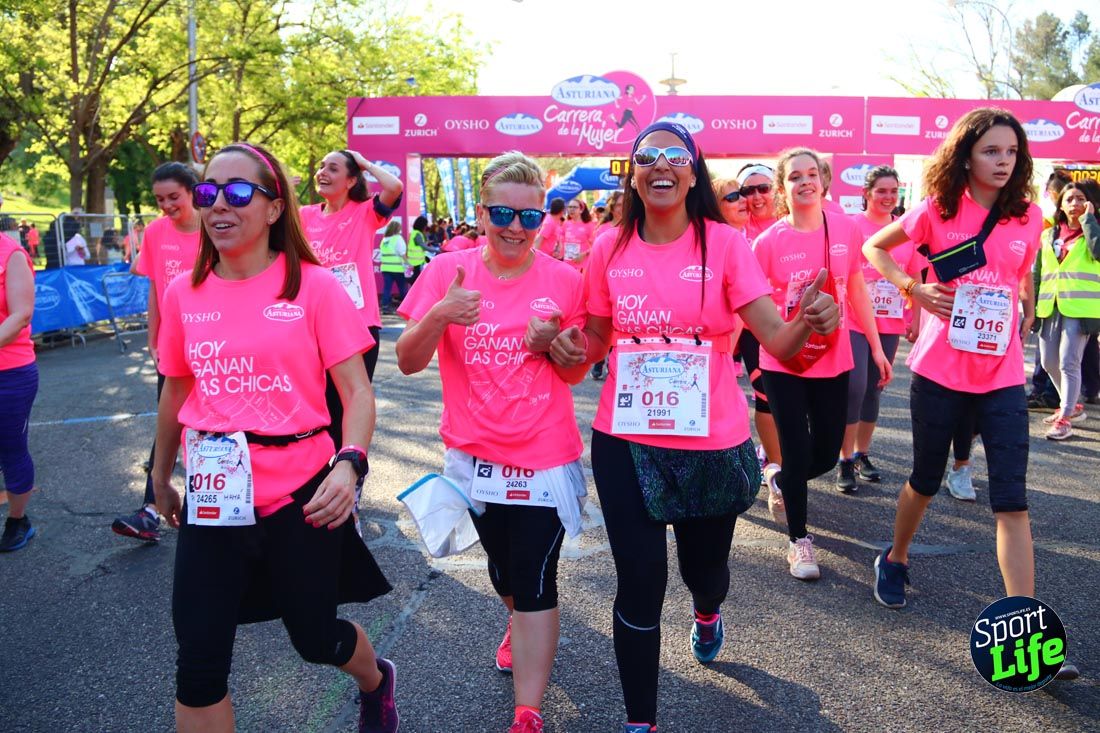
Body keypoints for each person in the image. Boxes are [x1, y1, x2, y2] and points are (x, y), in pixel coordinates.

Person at [549, 122, 839, 732]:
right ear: (633, 172)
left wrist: (814, 320)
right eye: (646, 156)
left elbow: (779, 342)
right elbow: (595, 339)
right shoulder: (610, 246)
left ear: (692, 172)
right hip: (625, 439)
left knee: (702, 575)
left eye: (674, 156)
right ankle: (640, 722)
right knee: (641, 578)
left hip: (711, 442)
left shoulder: (725, 245)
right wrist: (569, 346)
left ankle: (707, 614)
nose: (660, 165)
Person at [151, 141, 398, 731]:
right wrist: (158, 476)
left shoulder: (313, 287)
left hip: (302, 496)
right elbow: (175, 391)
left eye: (239, 192)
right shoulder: (184, 294)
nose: (218, 206)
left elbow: (357, 393)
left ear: (273, 207)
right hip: (214, 499)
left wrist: (350, 463)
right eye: (209, 192)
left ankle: (376, 678)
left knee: (314, 638)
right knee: (199, 664)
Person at [396, 151, 589, 733]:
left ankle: (526, 712)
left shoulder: (565, 280)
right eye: (502, 213)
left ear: (543, 221)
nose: (514, 227)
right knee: (504, 574)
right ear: (482, 211)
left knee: (534, 579)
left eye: (529, 218)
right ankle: (515, 623)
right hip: (473, 460)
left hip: (543, 456)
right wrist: (441, 314)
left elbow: (576, 371)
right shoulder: (446, 273)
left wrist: (558, 347)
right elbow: (407, 361)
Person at [862, 107, 1053, 629]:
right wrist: (913, 288)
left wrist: (1024, 305)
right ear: (965, 155)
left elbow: (1019, 270)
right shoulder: (937, 210)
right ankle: (895, 557)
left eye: (1011, 152)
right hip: (939, 371)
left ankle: (1025, 622)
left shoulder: (1029, 215)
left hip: (1003, 375)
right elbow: (873, 248)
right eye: (991, 151)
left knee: (1011, 499)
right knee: (924, 480)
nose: (1003, 161)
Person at [753, 147, 892, 579]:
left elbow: (856, 289)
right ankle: (799, 542)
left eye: (812, 174)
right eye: (795, 177)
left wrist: (875, 345)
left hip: (833, 358)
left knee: (828, 455)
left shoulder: (845, 229)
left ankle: (781, 479)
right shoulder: (767, 243)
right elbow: (755, 308)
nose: (805, 181)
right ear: (783, 188)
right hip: (784, 364)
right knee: (795, 450)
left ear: (823, 181)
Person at [112, 162, 203, 543]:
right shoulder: (155, 232)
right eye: (159, 199)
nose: (166, 205)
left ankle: (217, 505)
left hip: (218, 345)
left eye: (173, 197)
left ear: (193, 193)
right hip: (173, 346)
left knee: (220, 425)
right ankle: (151, 507)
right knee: (170, 421)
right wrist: (154, 338)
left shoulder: (216, 226)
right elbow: (155, 288)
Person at [837, 165, 920, 491]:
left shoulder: (904, 231)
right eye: (881, 190)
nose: (888, 197)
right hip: (854, 321)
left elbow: (915, 276)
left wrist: (915, 318)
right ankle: (844, 458)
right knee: (854, 386)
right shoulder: (852, 226)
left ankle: (862, 453)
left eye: (893, 191)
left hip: (889, 321)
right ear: (866, 194)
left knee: (874, 387)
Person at [1034, 179, 1100, 440]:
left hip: (1080, 307)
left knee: (1067, 361)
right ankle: (1071, 405)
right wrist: (1032, 307)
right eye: (1070, 199)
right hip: (1050, 305)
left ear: (1091, 204)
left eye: (1081, 198)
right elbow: (1038, 272)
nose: (1075, 203)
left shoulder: (1093, 231)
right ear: (1060, 204)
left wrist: (1089, 222)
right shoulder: (1048, 235)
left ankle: (1065, 416)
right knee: (1048, 361)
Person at [0, 226, 37, 552]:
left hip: (9, 372)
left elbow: (21, 314)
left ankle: (18, 520)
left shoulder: (10, 254)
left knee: (11, 449)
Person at [739, 164, 776, 241]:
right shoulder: (738, 225)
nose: (757, 197)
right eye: (748, 190)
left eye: (764, 188)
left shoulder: (793, 220)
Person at [378, 220, 409, 314]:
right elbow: (402, 253)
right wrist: (408, 264)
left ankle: (385, 307)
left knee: (387, 288)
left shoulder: (384, 239)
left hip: (385, 268)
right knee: (403, 288)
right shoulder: (398, 238)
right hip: (397, 268)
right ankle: (407, 307)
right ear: (397, 229)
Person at [561, 199, 595, 269]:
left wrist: (584, 254)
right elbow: (561, 242)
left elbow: (595, 245)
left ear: (581, 210)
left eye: (574, 207)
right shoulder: (566, 223)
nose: (571, 209)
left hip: (582, 264)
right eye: (569, 207)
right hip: (567, 264)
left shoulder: (589, 225)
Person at [407, 215, 428, 282]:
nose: (426, 226)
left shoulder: (414, 233)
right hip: (417, 262)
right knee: (416, 280)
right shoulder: (417, 234)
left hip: (414, 261)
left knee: (415, 279)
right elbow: (423, 246)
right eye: (425, 225)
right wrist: (436, 250)